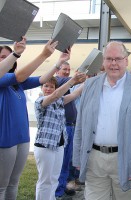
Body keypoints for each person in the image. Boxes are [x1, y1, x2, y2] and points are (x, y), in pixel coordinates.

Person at [73, 41, 131, 200]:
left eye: (118, 59)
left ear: (126, 60)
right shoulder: (90, 85)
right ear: (103, 61)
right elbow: (80, 124)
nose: (113, 63)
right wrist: (78, 157)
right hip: (94, 159)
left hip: (127, 160)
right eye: (109, 59)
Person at [0, 39, 60, 200]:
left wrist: (58, 63)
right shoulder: (1, 80)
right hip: (5, 141)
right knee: (2, 185)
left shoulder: (17, 83)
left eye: (7, 56)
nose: (6, 60)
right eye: (2, 57)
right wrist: (41, 54)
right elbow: (19, 75)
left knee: (13, 183)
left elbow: (41, 79)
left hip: (22, 139)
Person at [34, 72, 85, 200]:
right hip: (45, 146)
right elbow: (56, 95)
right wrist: (73, 80)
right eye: (46, 86)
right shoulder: (40, 101)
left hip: (59, 145)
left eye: (51, 87)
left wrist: (88, 81)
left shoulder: (59, 101)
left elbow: (74, 94)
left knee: (54, 179)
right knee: (45, 181)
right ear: (41, 88)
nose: (48, 89)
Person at [55, 61, 80, 198]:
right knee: (61, 161)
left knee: (67, 161)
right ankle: (58, 191)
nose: (66, 71)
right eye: (64, 69)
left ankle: (62, 187)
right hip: (63, 127)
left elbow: (76, 92)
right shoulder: (58, 82)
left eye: (68, 69)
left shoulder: (68, 86)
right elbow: (69, 81)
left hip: (71, 126)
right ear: (57, 71)